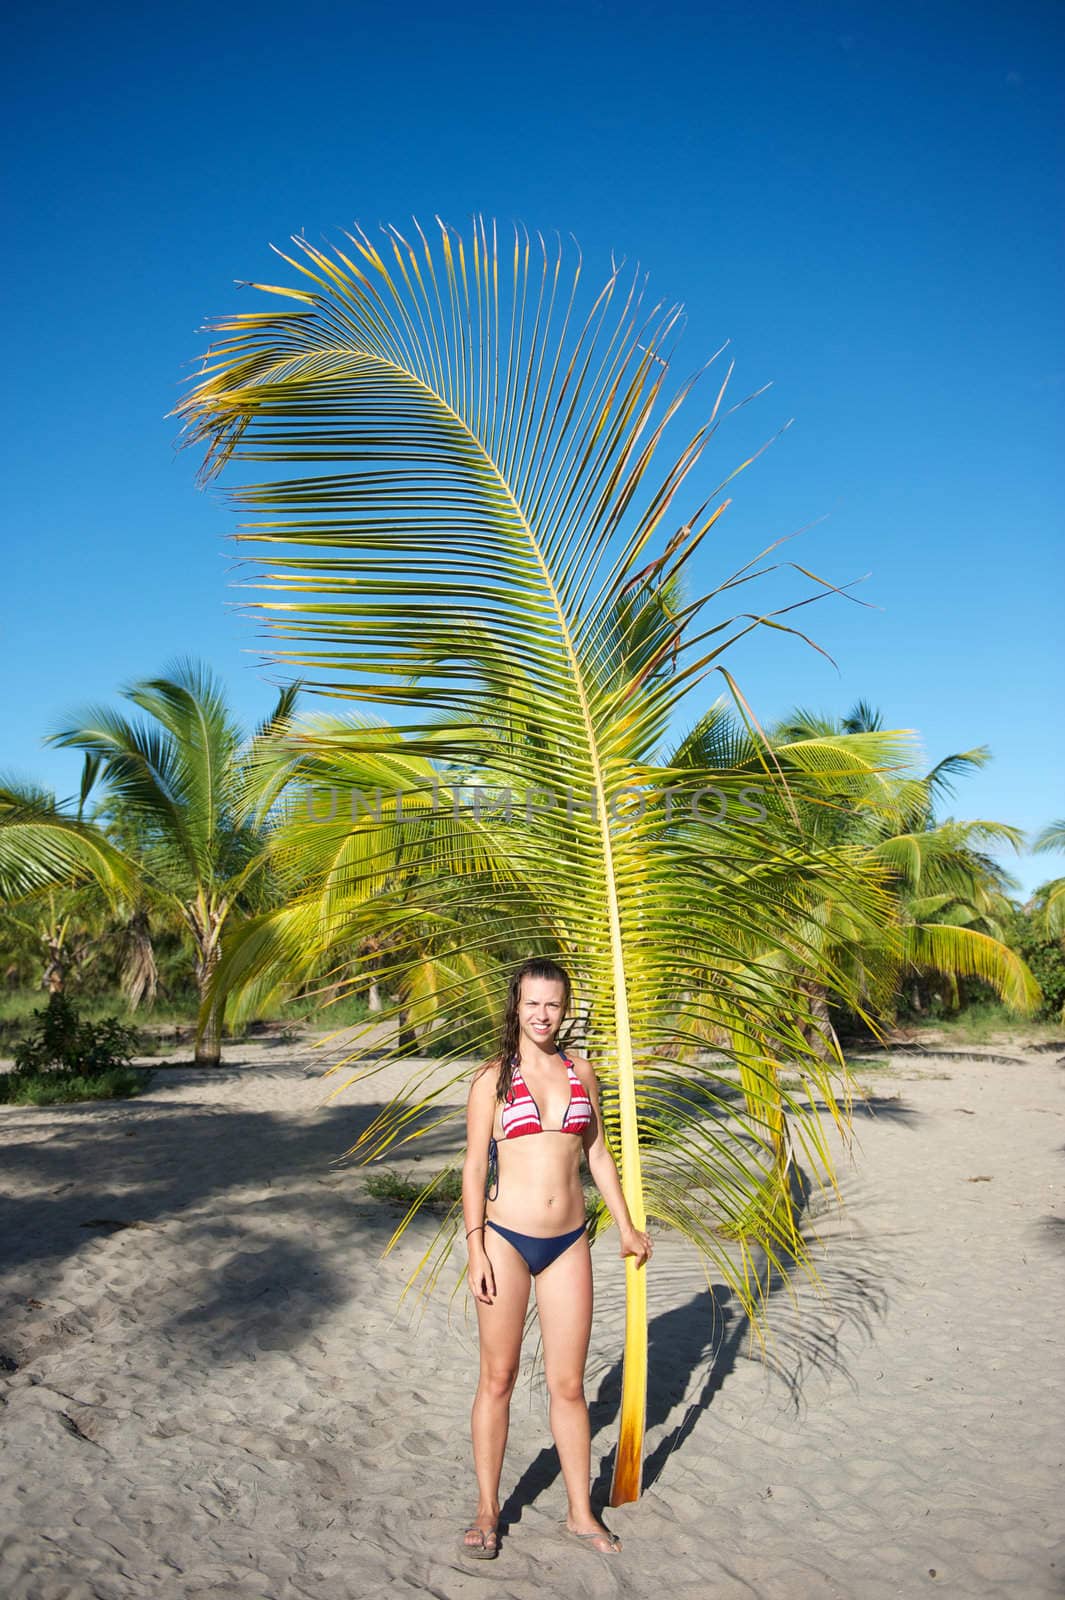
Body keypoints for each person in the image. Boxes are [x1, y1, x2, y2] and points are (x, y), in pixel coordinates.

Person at [459, 957, 652, 1559]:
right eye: (532, 1004)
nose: (542, 1015)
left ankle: (578, 1512)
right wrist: (475, 1246)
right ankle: (488, 1510)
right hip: (505, 1239)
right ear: (515, 1007)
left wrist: (625, 1225)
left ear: (564, 1010)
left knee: (569, 1385)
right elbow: (471, 1165)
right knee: (499, 1378)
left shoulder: (582, 1073)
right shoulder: (491, 1079)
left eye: (553, 1005)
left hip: (569, 1241)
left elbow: (597, 1155)